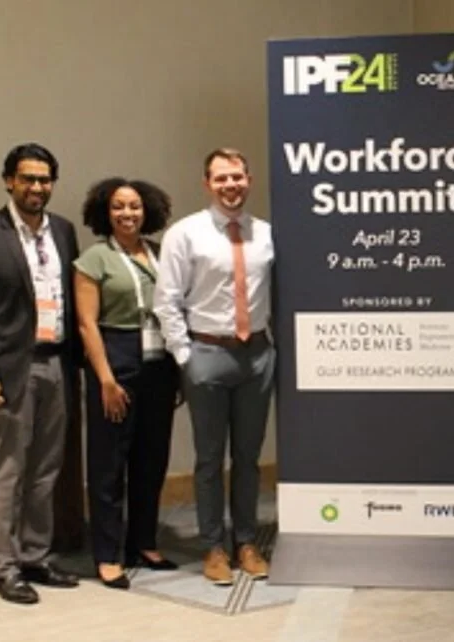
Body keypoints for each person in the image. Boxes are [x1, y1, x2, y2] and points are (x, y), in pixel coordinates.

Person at [0, 143, 81, 604]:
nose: (36, 187)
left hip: (56, 363)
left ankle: (35, 556)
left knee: (46, 470)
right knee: (8, 471)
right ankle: (4, 568)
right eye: (27, 178)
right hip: (9, 370)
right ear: (9, 180)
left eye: (45, 179)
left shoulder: (63, 231)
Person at [153, 148, 275, 586]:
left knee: (248, 457)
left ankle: (246, 541)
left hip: (257, 356)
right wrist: (186, 357)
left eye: (237, 177)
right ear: (207, 183)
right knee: (208, 460)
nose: (231, 185)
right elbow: (166, 301)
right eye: (221, 178)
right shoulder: (185, 234)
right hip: (206, 354)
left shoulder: (266, 235)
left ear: (249, 179)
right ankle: (213, 547)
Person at [74, 178, 180, 590]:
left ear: (148, 210)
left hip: (158, 363)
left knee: (151, 459)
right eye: (118, 207)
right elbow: (86, 323)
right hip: (115, 359)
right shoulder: (94, 258)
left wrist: (179, 373)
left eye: (134, 206)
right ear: (105, 212)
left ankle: (144, 542)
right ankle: (107, 554)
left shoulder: (158, 254)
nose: (127, 214)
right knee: (108, 463)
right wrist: (105, 378)